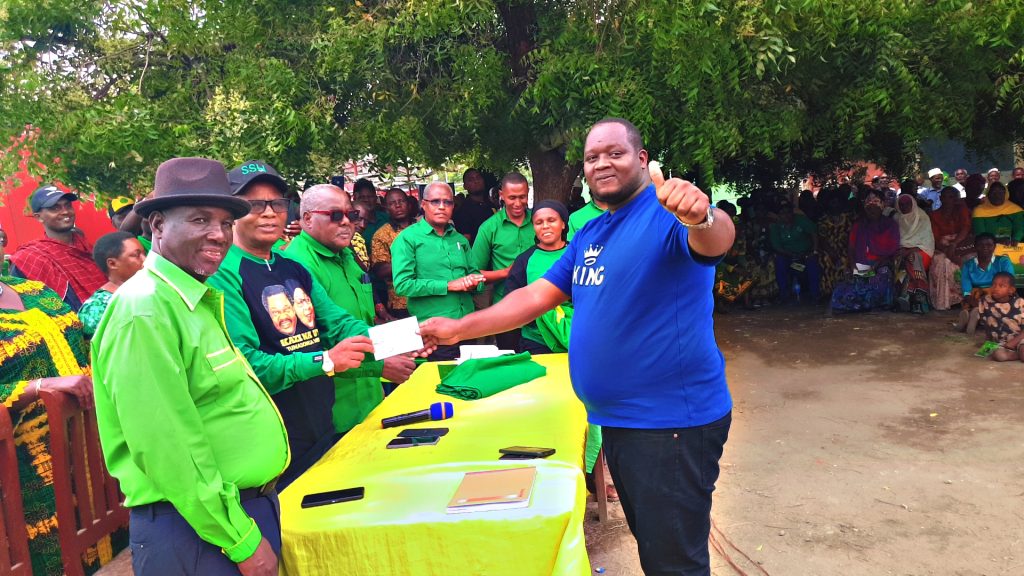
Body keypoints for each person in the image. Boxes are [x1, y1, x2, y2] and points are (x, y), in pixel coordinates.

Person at [420, 117, 736, 575]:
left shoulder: (667, 214)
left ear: (642, 160)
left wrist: (702, 216)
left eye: (615, 153)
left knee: (675, 562)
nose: (601, 163)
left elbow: (715, 239)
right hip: (621, 421)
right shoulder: (591, 232)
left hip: (670, 423)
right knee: (656, 547)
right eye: (592, 157)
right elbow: (535, 296)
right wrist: (458, 329)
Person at [91, 157, 288, 576]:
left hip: (233, 515)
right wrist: (240, 540)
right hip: (199, 532)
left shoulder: (191, 297)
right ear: (158, 225)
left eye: (226, 223)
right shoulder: (145, 310)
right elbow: (170, 448)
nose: (218, 234)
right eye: (200, 219)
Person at [209, 162, 379, 486]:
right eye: (255, 204)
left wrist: (407, 338)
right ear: (232, 211)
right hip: (274, 431)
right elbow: (248, 364)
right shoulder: (223, 273)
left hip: (321, 416)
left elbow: (337, 322)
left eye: (277, 203)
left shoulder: (292, 265)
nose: (269, 213)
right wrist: (325, 360)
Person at [1, 276, 122, 575]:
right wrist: (39, 386)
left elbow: (83, 343)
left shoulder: (35, 290)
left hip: (92, 443)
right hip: (29, 467)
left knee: (117, 549)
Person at [285, 184, 416, 432]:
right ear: (307, 219)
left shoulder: (346, 254)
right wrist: (380, 366)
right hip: (334, 410)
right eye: (335, 215)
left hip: (370, 399)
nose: (346, 222)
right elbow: (317, 343)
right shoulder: (296, 265)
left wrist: (413, 337)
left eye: (351, 214)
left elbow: (360, 321)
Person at [392, 182, 486, 360]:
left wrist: (473, 283)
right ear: (423, 204)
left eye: (447, 202)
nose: (442, 207)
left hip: (467, 327)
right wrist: (448, 285)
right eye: (435, 201)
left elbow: (476, 275)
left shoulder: (460, 240)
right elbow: (403, 285)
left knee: (470, 375)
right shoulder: (407, 238)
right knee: (441, 376)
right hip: (434, 335)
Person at [9, 185, 106, 310]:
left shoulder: (88, 248)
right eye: (55, 208)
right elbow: (23, 306)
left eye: (68, 205)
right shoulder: (29, 258)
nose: (65, 211)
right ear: (38, 217)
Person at [472, 172, 536, 348]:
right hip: (506, 309)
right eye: (512, 197)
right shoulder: (489, 228)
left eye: (522, 197)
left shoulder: (539, 222)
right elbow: (474, 273)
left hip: (540, 307)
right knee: (510, 359)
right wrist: (506, 273)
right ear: (501, 195)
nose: (518, 203)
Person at [504, 200, 572, 354]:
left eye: (551, 220)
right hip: (536, 341)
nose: (545, 226)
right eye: (538, 222)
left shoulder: (578, 254)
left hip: (575, 336)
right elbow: (512, 300)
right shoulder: (524, 260)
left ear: (563, 224)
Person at [829, 190, 900, 313]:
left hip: (882, 265)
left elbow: (892, 249)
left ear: (882, 207)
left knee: (878, 281)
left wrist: (878, 263)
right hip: (862, 265)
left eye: (875, 207)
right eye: (869, 208)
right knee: (844, 289)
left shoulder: (890, 225)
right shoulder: (858, 225)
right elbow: (851, 247)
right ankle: (862, 303)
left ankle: (868, 303)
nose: (871, 211)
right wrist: (853, 265)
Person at [78, 232, 146, 338]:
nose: (145, 260)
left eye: (144, 254)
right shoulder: (97, 308)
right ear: (112, 264)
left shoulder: (151, 290)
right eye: (136, 255)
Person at [956, 233, 1015, 334]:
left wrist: (991, 297)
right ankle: (974, 316)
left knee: (997, 302)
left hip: (998, 293)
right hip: (976, 295)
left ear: (994, 246)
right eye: (981, 245)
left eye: (989, 245)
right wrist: (969, 297)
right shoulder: (968, 264)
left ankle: (973, 317)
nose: (985, 248)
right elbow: (966, 286)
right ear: (975, 247)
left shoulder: (1003, 261)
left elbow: (1009, 282)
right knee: (975, 299)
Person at [371, 188, 416, 318]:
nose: (398, 205)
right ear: (386, 208)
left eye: (401, 201)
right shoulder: (381, 234)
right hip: (401, 303)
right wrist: (413, 259)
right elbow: (380, 271)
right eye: (392, 203)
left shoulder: (423, 227)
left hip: (430, 296)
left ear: (408, 204)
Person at [928, 187, 973, 310]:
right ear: (940, 198)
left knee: (971, 259)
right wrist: (948, 251)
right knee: (941, 262)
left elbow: (966, 228)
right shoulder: (934, 215)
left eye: (952, 197)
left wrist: (954, 244)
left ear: (957, 199)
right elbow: (935, 238)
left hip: (962, 244)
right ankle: (945, 301)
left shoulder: (962, 211)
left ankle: (968, 299)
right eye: (945, 197)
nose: (948, 200)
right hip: (942, 247)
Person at [769, 199, 820, 303]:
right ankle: (784, 294)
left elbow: (814, 233)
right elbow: (776, 246)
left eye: (788, 212)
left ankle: (815, 295)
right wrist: (791, 254)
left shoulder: (801, 220)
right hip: (787, 255)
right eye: (782, 213)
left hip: (806, 253)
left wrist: (814, 251)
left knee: (812, 263)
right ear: (779, 215)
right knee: (780, 262)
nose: (786, 215)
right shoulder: (775, 226)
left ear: (792, 212)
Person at [894, 193, 935, 313]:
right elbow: (894, 240)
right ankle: (918, 299)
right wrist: (902, 250)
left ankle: (906, 296)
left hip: (921, 250)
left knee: (913, 258)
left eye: (907, 204)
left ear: (913, 204)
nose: (904, 207)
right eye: (901, 204)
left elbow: (926, 241)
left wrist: (910, 250)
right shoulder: (896, 218)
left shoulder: (922, 217)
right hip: (902, 250)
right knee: (899, 261)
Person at [817, 187, 854, 299]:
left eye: (837, 202)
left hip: (846, 248)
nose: (835, 205)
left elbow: (852, 237)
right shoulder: (823, 220)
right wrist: (831, 252)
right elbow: (822, 240)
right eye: (832, 203)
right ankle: (828, 291)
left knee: (844, 260)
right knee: (825, 260)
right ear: (828, 204)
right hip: (828, 249)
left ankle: (843, 291)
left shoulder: (849, 218)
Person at [980, 272, 1024, 362]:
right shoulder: (985, 301)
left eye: (1001, 286)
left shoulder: (1020, 303)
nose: (996, 288)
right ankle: (1016, 355)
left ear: (1011, 290)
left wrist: (1013, 343)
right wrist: (987, 343)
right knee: (999, 355)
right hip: (1001, 342)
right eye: (993, 285)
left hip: (1020, 338)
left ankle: (1020, 353)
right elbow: (986, 324)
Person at [452, 168, 496, 243]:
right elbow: (465, 241)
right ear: (465, 186)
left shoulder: (491, 204)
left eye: (478, 178)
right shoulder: (463, 211)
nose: (476, 181)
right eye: (471, 179)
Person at [352, 178, 388, 242]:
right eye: (362, 197)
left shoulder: (386, 218)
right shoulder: (353, 223)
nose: (366, 200)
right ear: (355, 198)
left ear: (376, 198)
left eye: (370, 197)